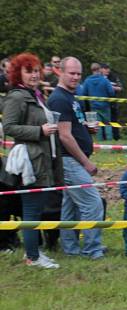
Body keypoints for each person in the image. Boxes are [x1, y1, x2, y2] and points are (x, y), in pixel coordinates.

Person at [1, 52, 62, 268]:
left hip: (42, 158)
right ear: (19, 73)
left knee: (35, 209)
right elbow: (8, 127)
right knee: (31, 209)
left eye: (36, 71)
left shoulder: (35, 94)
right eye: (29, 71)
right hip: (30, 161)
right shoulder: (17, 96)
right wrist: (39, 130)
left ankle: (33, 253)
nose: (34, 75)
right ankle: (33, 257)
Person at [48, 57, 106, 260]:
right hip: (70, 161)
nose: (75, 77)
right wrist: (86, 162)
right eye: (71, 73)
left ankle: (71, 248)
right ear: (60, 72)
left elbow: (72, 127)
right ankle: (93, 249)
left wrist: (87, 129)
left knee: (70, 206)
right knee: (93, 203)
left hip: (72, 160)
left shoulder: (71, 96)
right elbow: (64, 135)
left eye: (78, 73)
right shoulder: (59, 98)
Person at [81, 62, 115, 141]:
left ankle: (100, 142)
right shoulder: (105, 80)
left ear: (91, 70)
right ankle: (109, 141)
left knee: (97, 124)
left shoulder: (87, 81)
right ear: (99, 70)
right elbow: (111, 92)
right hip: (105, 105)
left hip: (94, 106)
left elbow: (83, 93)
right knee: (107, 124)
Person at [100, 63, 123, 140]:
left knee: (114, 120)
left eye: (108, 68)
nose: (108, 70)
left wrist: (111, 87)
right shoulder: (98, 77)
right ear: (101, 69)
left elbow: (120, 88)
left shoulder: (114, 76)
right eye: (105, 68)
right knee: (101, 122)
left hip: (113, 102)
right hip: (101, 103)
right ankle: (102, 139)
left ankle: (116, 137)